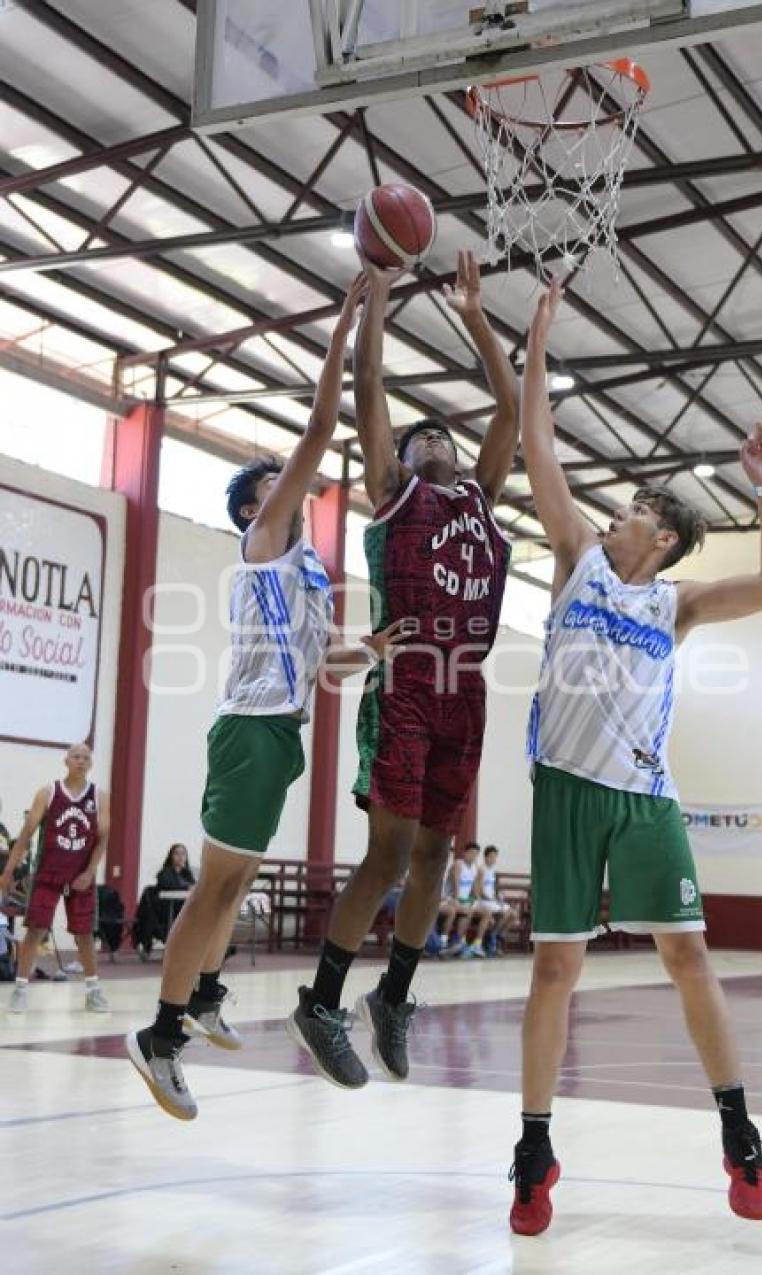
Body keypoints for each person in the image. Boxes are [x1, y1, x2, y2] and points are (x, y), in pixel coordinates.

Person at [509, 279, 762, 1236]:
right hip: (564, 792)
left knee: (687, 955)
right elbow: (537, 440)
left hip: (644, 798)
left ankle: (738, 1128)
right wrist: (540, 333)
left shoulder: (679, 602)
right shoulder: (579, 556)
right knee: (554, 971)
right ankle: (534, 1145)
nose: (615, 514)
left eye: (633, 509)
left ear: (662, 536)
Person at [126, 275, 406, 1122]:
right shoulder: (265, 536)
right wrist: (348, 330)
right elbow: (322, 428)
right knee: (215, 889)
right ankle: (161, 1036)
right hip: (248, 731)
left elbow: (324, 661)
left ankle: (205, 992)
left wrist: (372, 649)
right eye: (282, 483)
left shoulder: (306, 576)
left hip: (279, 736)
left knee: (236, 880)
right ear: (259, 504)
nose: (301, 485)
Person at [288, 249, 518, 1087]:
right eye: (424, 436)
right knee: (386, 854)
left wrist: (475, 317)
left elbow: (509, 408)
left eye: (442, 435)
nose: (435, 440)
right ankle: (321, 1002)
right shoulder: (395, 491)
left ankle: (395, 995)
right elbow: (372, 387)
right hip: (410, 679)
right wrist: (378, 300)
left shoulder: (480, 500)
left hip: (468, 689)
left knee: (433, 858)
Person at [0, 743, 111, 1013]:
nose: (81, 761)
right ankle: (20, 990)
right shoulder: (48, 792)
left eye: (86, 757)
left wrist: (89, 871)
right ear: (66, 761)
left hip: (80, 875)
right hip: (48, 871)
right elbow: (26, 836)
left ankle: (93, 990)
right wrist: (7, 873)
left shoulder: (99, 796)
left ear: (91, 764)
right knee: (35, 930)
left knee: (84, 933)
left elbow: (102, 838)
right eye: (76, 756)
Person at [446, 841, 492, 959]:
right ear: (464, 853)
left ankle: (477, 944)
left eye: (476, 854)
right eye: (471, 853)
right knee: (468, 910)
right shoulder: (458, 864)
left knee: (487, 912)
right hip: (452, 899)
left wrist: (477, 900)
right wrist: (459, 901)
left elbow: (473, 890)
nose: (473, 856)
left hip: (466, 900)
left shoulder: (475, 868)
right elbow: (456, 885)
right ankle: (459, 941)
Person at [475, 845, 516, 955]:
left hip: (492, 900)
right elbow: (479, 891)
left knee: (514, 914)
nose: (493, 859)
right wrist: (493, 899)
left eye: (495, 857)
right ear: (485, 857)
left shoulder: (492, 870)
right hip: (484, 901)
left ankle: (499, 935)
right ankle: (492, 937)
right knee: (506, 913)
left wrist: (498, 896)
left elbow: (492, 889)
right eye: (491, 857)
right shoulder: (481, 869)